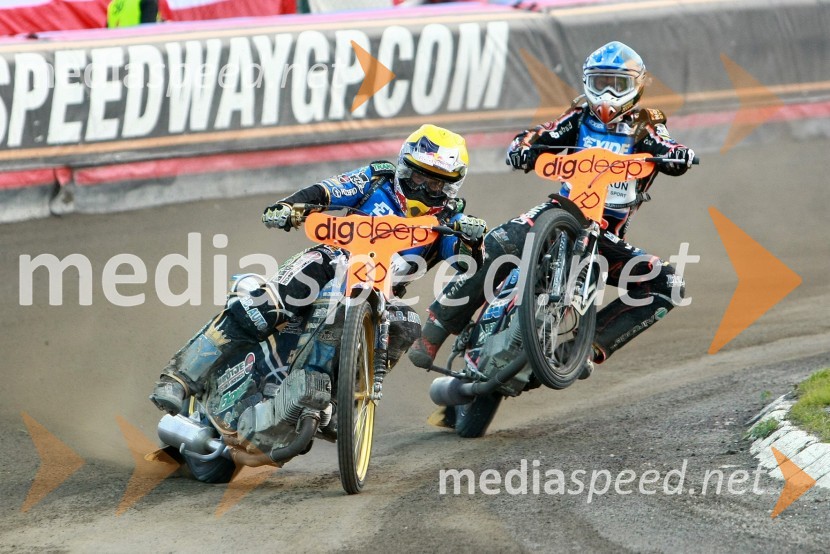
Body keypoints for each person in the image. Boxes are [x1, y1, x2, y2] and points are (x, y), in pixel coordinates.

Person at [409, 42, 696, 409]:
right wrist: (523, 147)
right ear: (586, 82)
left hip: (605, 237)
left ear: (637, 87)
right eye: (600, 82)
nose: (607, 94)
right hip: (561, 213)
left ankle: (584, 348)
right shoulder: (577, 117)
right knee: (498, 241)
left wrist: (677, 156)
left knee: (668, 285)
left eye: (617, 84)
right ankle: (436, 328)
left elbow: (667, 147)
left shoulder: (645, 125)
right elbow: (538, 135)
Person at [149, 124, 487, 416]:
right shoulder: (374, 181)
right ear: (403, 167)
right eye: (418, 176)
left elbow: (464, 262)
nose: (425, 189)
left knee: (408, 322)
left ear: (452, 186)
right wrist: (288, 207)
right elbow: (327, 191)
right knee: (283, 292)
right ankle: (180, 378)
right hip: (333, 261)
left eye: (437, 184)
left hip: (380, 299)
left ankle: (349, 400)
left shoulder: (450, 222)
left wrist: (473, 240)